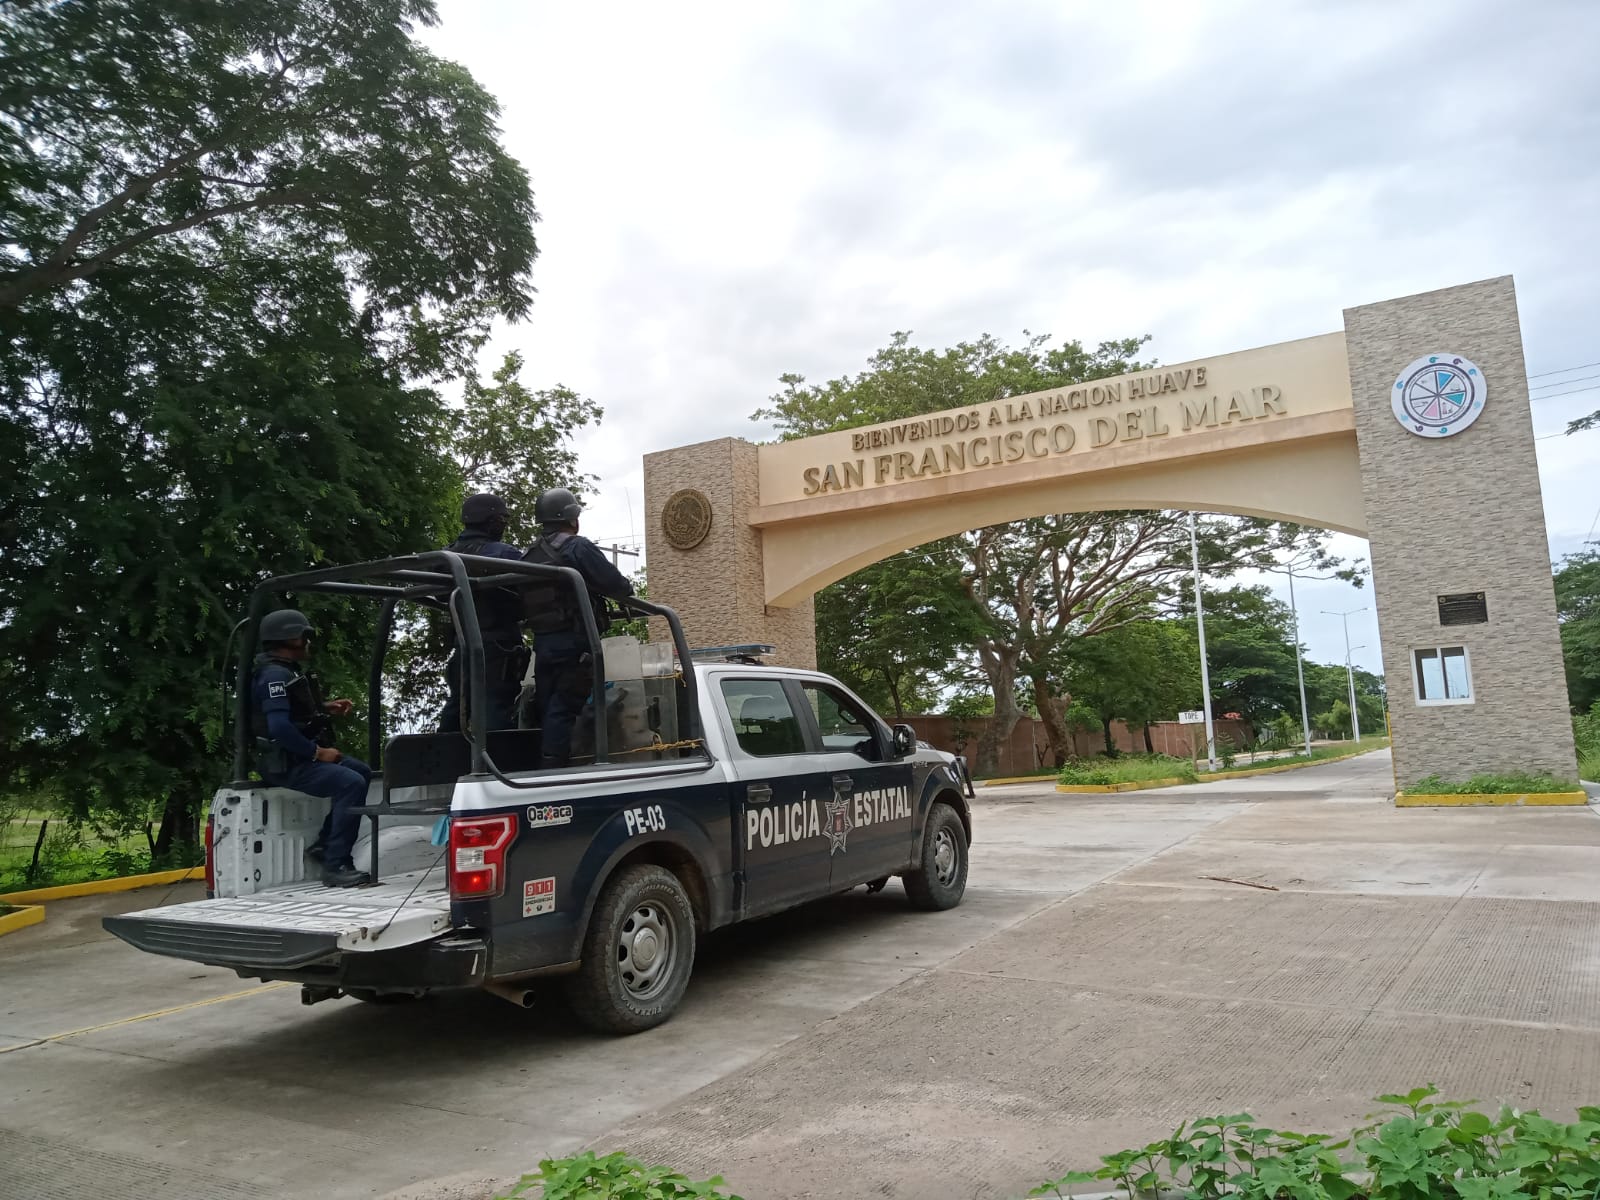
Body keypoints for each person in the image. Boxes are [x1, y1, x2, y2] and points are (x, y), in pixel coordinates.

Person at [249, 609, 371, 888]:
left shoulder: (284, 671)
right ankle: (336, 865)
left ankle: (325, 845)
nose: (308, 642)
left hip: (296, 757)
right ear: (290, 638)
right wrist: (317, 753)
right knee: (349, 783)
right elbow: (279, 727)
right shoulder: (273, 676)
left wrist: (326, 707)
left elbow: (289, 713)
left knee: (361, 772)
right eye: (304, 636)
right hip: (286, 763)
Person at [522, 487, 634, 768]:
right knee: (564, 708)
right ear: (572, 519)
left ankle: (544, 764)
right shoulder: (577, 547)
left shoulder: (529, 554)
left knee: (549, 707)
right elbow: (615, 584)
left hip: (544, 645)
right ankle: (554, 771)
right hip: (574, 643)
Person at [438, 492, 528, 735]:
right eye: (502, 520)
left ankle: (441, 762)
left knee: (458, 704)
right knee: (496, 708)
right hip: (498, 647)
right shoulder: (504, 555)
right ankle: (498, 768)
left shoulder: (446, 557)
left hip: (462, 645)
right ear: (492, 522)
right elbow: (530, 593)